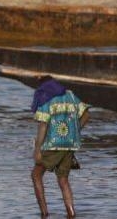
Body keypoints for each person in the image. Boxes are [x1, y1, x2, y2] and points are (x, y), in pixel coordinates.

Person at [31, 76, 89, 218]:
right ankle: (71, 213)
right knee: (63, 180)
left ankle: (44, 214)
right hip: (70, 144)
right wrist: (74, 131)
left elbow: (43, 126)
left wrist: (37, 149)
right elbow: (86, 115)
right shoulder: (70, 95)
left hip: (53, 145)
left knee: (36, 175)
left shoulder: (46, 98)